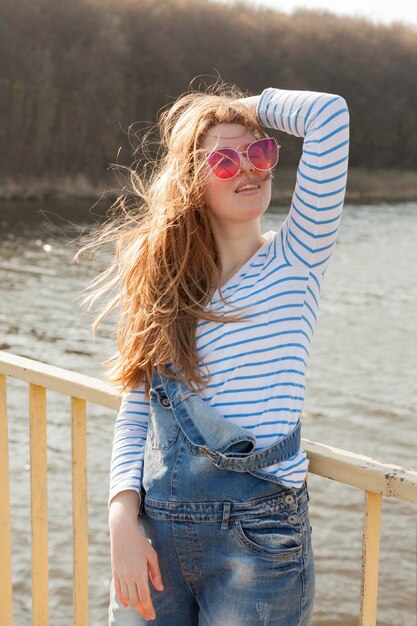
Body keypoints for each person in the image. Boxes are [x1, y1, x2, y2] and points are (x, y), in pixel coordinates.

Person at [79, 82, 349, 625]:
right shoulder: (166, 284)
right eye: (223, 161)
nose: (248, 168)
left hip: (257, 540)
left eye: (259, 151)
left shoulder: (296, 258)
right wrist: (121, 521)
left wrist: (226, 114)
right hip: (153, 529)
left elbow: (329, 114)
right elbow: (139, 411)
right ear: (192, 182)